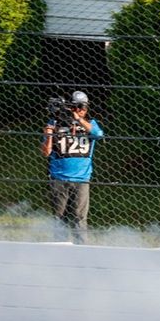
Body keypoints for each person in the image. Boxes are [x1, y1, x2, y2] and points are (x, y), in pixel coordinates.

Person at [40, 91, 104, 245]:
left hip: (81, 178)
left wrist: (79, 120)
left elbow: (99, 134)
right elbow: (46, 152)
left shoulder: (91, 124)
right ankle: (60, 248)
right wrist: (49, 134)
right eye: (77, 107)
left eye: (83, 107)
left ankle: (81, 249)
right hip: (59, 178)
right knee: (59, 218)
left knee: (79, 218)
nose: (81, 110)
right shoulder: (55, 123)